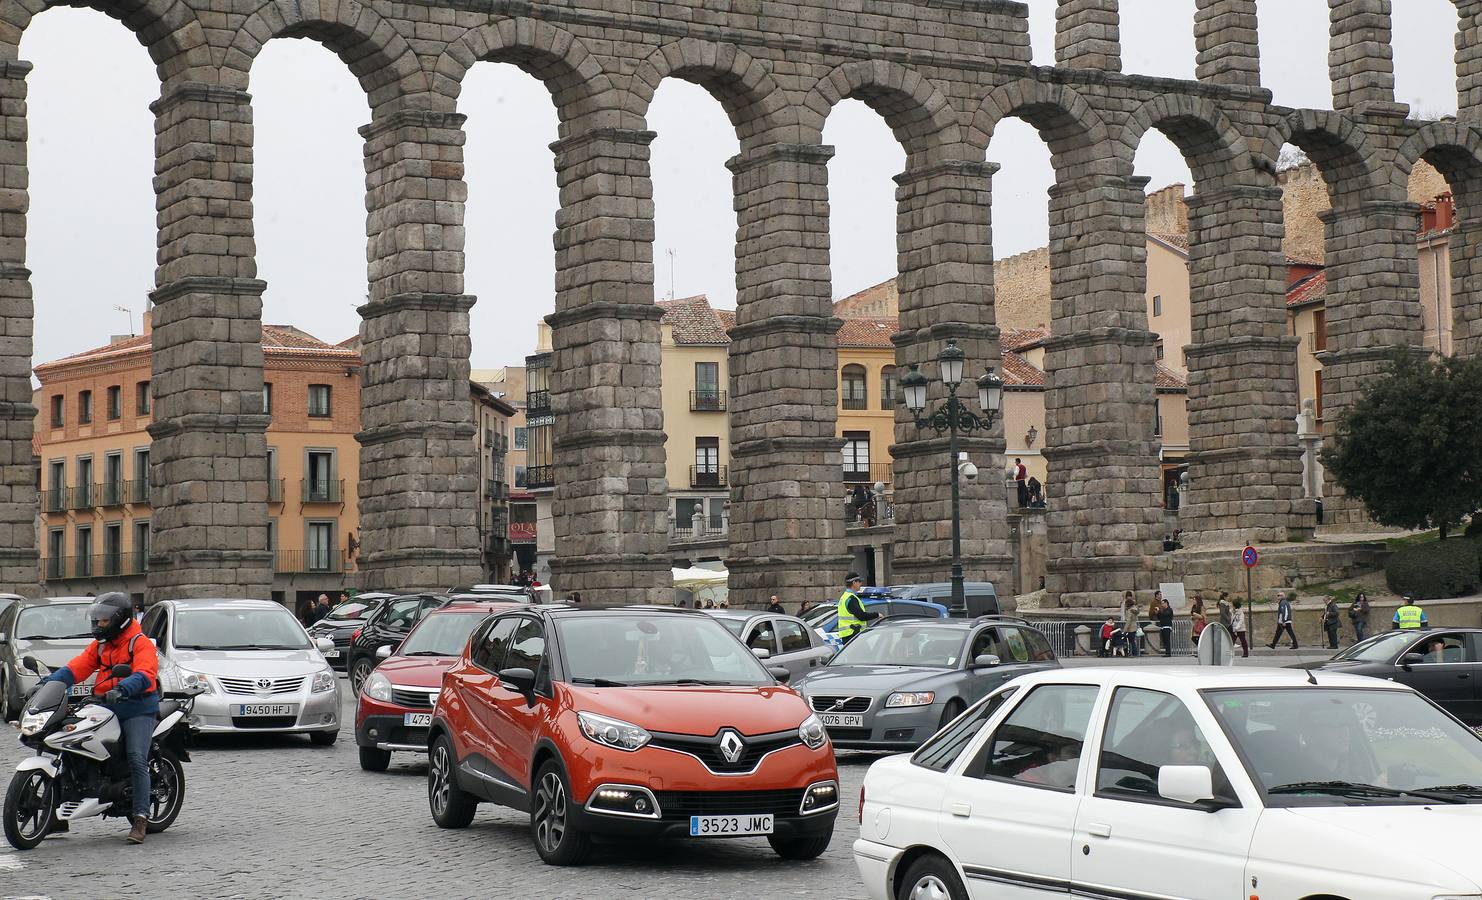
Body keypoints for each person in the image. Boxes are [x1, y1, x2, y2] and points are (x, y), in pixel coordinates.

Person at [33, 592, 159, 844]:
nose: (98, 625)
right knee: (66, 743)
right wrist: (47, 684)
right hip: (105, 704)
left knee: (136, 757)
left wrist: (124, 688)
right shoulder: (101, 645)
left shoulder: (140, 642)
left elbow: (146, 673)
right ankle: (55, 816)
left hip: (136, 707)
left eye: (103, 621)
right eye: (96, 620)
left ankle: (141, 817)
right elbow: (76, 667)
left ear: (119, 619)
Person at [836, 573, 879, 644]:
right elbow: (861, 616)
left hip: (848, 635)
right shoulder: (851, 598)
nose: (861, 583)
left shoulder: (844, 596)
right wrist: (877, 615)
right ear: (854, 582)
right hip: (854, 634)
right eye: (859, 581)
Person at [1121, 592, 1141, 657]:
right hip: (1134, 626)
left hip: (1131, 628)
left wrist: (1124, 630)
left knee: (1131, 641)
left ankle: (1134, 653)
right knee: (1132, 641)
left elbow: (1128, 621)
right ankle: (1134, 653)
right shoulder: (1134, 609)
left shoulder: (1130, 611)